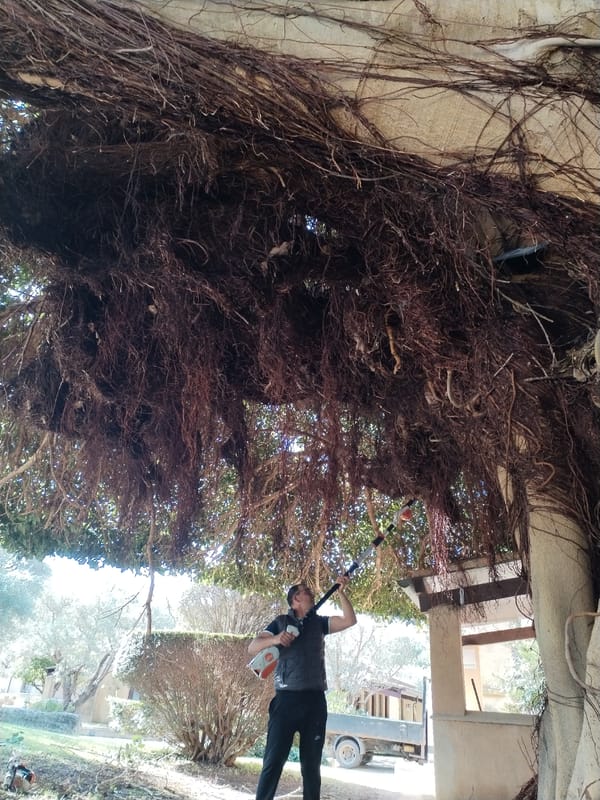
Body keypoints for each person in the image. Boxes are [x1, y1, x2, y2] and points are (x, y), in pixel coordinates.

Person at [248, 575, 357, 800]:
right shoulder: (280, 622)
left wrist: (341, 592)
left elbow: (349, 620)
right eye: (305, 590)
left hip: (315, 702)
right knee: (273, 761)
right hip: (285, 701)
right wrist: (277, 638)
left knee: (311, 766)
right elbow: (253, 646)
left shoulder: (320, 623)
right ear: (295, 600)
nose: (310, 592)